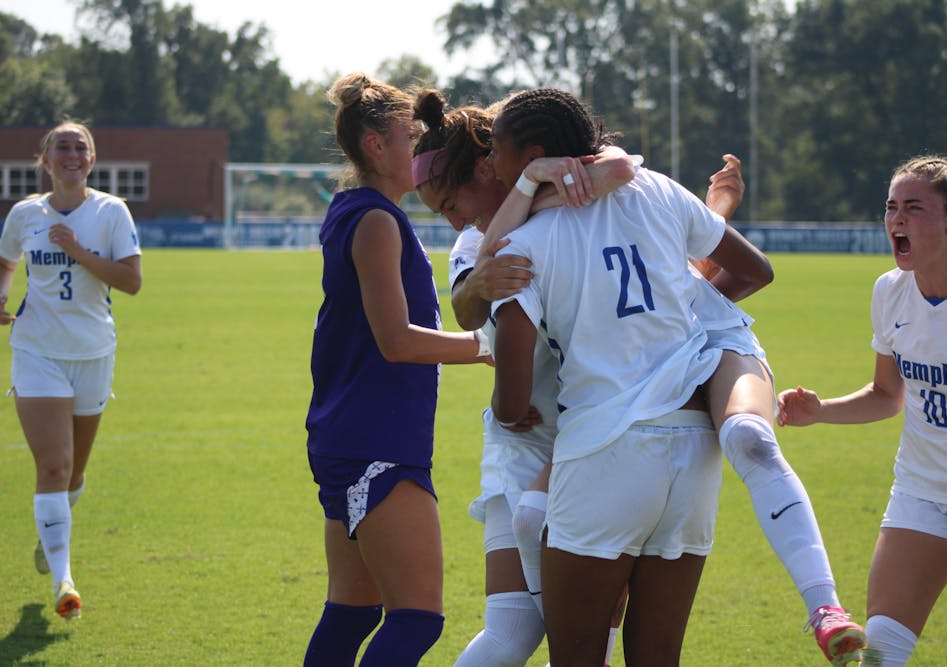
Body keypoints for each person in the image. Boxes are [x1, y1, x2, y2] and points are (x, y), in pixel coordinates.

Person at [480, 89, 866, 665]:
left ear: (534, 155)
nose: (490, 164)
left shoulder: (520, 247)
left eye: (497, 151)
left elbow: (512, 395)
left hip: (605, 454)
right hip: (693, 451)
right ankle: (824, 603)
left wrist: (511, 412)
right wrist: (692, 305)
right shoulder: (656, 187)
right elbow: (755, 269)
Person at [411, 89, 637, 667]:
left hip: (602, 440)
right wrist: (479, 285)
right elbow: (464, 309)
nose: (455, 221)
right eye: (441, 213)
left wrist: (551, 175)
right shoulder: (475, 242)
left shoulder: (574, 207)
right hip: (523, 445)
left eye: (451, 203)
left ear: (490, 168)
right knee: (514, 631)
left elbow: (624, 166)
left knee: (589, 635)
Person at [300, 73, 492, 667]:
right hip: (375, 441)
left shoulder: (359, 210)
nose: (421, 149)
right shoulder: (377, 220)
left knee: (354, 609)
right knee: (417, 619)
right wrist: (484, 345)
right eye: (410, 137)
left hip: (352, 435)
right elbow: (395, 340)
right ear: (377, 146)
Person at [777, 156, 947, 667]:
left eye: (914, 208)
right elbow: (886, 395)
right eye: (891, 207)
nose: (896, 220)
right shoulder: (889, 292)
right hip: (921, 491)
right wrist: (820, 411)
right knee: (880, 654)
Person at [0, 121, 143, 620]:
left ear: (92, 158)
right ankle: (64, 579)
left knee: (74, 472)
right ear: (46, 161)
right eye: (61, 146)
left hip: (93, 352)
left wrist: (77, 252)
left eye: (79, 146)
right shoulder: (24, 214)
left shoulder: (110, 212)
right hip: (37, 350)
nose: (71, 153)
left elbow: (132, 281)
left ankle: (52, 530)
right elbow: (6, 261)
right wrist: (0, 296)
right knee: (53, 466)